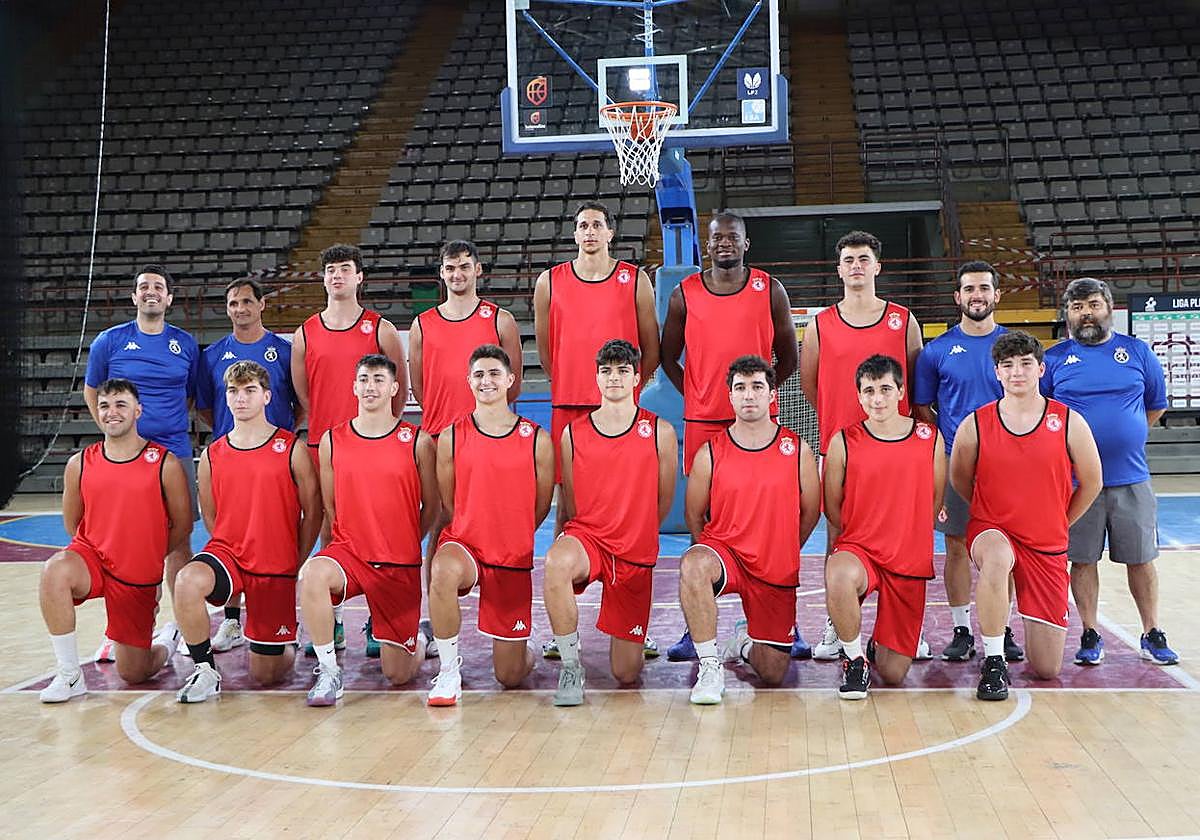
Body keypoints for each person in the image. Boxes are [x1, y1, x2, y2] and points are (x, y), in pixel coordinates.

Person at [660, 211, 804, 662]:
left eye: (732, 237)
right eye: (716, 237)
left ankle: (784, 621)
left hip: (761, 423)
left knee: (774, 514)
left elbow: (789, 356)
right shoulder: (685, 293)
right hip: (705, 422)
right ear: (707, 244)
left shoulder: (769, 289)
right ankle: (695, 626)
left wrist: (759, 395)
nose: (724, 243)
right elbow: (667, 356)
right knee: (700, 518)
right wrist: (700, 394)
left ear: (746, 243)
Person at [533, 200, 661, 657]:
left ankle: (629, 624)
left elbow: (651, 346)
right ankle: (563, 627)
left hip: (622, 412)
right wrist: (575, 383)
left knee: (630, 510)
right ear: (574, 234)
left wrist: (623, 393)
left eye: (597, 225)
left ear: (610, 233)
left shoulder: (635, 279)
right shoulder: (551, 281)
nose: (589, 232)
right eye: (582, 225)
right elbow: (548, 351)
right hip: (570, 406)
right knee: (569, 510)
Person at [950, 331, 1102, 700]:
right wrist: (989, 512)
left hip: (1046, 541)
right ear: (997, 373)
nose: (1016, 371)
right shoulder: (977, 423)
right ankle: (994, 659)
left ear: (1040, 369)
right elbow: (960, 477)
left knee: (1047, 668)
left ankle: (1017, 635)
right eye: (1007, 365)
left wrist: (1060, 521)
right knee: (997, 558)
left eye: (1024, 363)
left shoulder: (1067, 421)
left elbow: (1092, 481)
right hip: (993, 529)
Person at [798, 231, 924, 660]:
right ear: (839, 269)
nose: (856, 265)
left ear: (877, 266)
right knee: (838, 533)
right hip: (843, 448)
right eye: (848, 259)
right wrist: (842, 428)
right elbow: (812, 385)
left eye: (863, 258)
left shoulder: (903, 320)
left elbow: (916, 384)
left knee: (901, 535)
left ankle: (902, 625)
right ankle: (837, 623)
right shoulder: (819, 323)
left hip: (897, 450)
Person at [1041, 277, 1177, 665]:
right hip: (1075, 483)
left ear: (1109, 309)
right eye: (1077, 307)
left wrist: (1124, 437)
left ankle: (1151, 631)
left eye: (1093, 305)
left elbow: (1155, 405)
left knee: (1141, 558)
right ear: (1067, 314)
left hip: (1130, 478)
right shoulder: (1053, 360)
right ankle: (1089, 633)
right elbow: (1044, 415)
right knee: (1082, 560)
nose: (1086, 313)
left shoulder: (1137, 352)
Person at [173, 362, 322, 702]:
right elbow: (211, 514)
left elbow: (313, 512)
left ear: (267, 396)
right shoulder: (214, 453)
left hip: (275, 562)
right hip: (229, 555)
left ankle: (285, 638)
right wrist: (230, 544)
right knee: (187, 581)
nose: (241, 398)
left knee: (267, 675)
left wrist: (294, 560)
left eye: (249, 390)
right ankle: (205, 671)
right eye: (233, 391)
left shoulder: (291, 448)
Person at [37, 379, 192, 702]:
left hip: (136, 573)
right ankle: (69, 675)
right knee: (55, 570)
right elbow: (72, 522)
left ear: (138, 410)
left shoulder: (165, 463)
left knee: (134, 673)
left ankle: (167, 639)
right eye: (105, 405)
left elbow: (182, 524)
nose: (111, 412)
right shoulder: (79, 463)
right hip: (93, 559)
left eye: (120, 404)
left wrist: (149, 555)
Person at [678, 356, 821, 705]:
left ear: (772, 395)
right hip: (726, 555)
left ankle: (742, 643)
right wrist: (708, 555)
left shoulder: (796, 449)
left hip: (773, 566)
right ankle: (710, 667)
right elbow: (694, 515)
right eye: (740, 388)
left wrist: (783, 548)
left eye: (757, 387)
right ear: (730, 396)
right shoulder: (711, 452)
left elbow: (811, 512)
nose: (749, 395)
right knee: (695, 564)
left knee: (773, 673)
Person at [299, 354, 441, 706]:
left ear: (395, 388)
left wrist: (406, 539)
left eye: (379, 379)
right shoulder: (334, 439)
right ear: (354, 387)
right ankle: (329, 670)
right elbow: (331, 505)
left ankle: (418, 641)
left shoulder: (417, 441)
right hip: (351, 555)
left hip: (398, 562)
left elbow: (433, 506)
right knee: (315, 574)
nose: (370, 386)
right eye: (363, 379)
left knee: (397, 674)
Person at [543, 339, 678, 705]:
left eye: (622, 371)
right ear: (596, 378)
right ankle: (571, 665)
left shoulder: (660, 432)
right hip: (590, 540)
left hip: (634, 551)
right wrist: (569, 538)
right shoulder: (574, 433)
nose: (613, 378)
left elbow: (663, 499)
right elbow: (570, 501)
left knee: (625, 672)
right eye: (606, 371)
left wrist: (638, 530)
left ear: (637, 377)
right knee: (556, 562)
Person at [292, 243, 407, 658]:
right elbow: (304, 393)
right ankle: (334, 622)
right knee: (329, 527)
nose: (337, 276)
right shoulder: (306, 331)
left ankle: (380, 620)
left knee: (381, 529)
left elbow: (400, 388)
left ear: (360, 277)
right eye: (330, 270)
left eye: (345, 269)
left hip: (375, 446)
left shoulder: (381, 329)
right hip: (325, 443)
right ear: (323, 279)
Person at [426, 345, 555, 705]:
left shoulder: (537, 440)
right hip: (466, 544)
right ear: (468, 381)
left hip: (511, 555)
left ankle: (522, 646)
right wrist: (475, 525)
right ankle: (449, 670)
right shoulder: (452, 436)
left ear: (511, 380)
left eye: (494, 373)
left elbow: (541, 503)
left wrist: (511, 530)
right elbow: (450, 501)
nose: (487, 381)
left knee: (510, 676)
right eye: (479, 374)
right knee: (442, 570)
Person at [84, 264, 200, 661]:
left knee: (178, 543)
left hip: (173, 453)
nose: (151, 292)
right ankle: (120, 630)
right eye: (143, 287)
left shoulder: (185, 344)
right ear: (134, 297)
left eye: (158, 287)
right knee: (124, 546)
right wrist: (117, 432)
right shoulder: (109, 342)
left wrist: (161, 431)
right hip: (125, 458)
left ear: (169, 298)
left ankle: (186, 627)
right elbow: (93, 392)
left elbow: (188, 397)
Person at [408, 240, 523, 634]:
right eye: (449, 268)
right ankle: (432, 614)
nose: (457, 274)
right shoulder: (422, 324)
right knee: (440, 525)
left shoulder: (500, 320)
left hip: (491, 441)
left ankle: (501, 612)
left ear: (478, 270)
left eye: (464, 266)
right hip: (441, 438)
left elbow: (515, 383)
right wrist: (447, 425)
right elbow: (421, 388)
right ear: (441, 274)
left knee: (497, 523)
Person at [911, 261, 1023, 663]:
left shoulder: (1016, 348)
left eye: (984, 288)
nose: (977, 295)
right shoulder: (936, 351)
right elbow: (922, 406)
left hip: (1008, 468)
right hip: (956, 466)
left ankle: (1003, 627)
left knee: (1004, 550)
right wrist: (956, 442)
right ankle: (961, 629)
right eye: (969, 289)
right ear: (958, 297)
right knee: (956, 547)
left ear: (996, 295)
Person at [824, 355, 945, 699]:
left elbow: (935, 497)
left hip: (908, 558)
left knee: (893, 675)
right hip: (861, 550)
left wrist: (908, 531)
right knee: (840, 572)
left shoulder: (929, 437)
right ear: (859, 396)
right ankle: (854, 659)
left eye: (885, 389)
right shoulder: (844, 441)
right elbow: (833, 505)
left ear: (901, 392)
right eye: (869, 391)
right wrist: (857, 536)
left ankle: (880, 643)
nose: (877, 399)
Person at [197, 277, 302, 654]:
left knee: (275, 534)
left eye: (245, 301)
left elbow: (299, 400)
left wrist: (280, 429)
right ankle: (230, 620)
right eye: (232, 303)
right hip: (230, 456)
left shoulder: (283, 351)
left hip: (273, 457)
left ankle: (281, 618)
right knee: (228, 531)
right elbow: (207, 406)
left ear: (261, 305)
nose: (239, 309)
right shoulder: (211, 356)